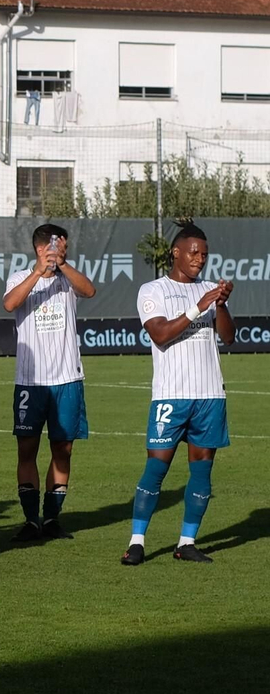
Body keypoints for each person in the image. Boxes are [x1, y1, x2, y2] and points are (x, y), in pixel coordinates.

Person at [123, 225, 233, 565]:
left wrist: (221, 305)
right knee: (156, 468)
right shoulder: (153, 290)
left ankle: (187, 542)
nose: (200, 259)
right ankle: (137, 542)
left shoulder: (209, 290)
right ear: (176, 252)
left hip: (210, 395)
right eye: (194, 252)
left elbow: (229, 337)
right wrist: (198, 308)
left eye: (204, 254)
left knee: (202, 472)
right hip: (171, 395)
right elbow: (160, 334)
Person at [3, 223, 97, 542]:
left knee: (63, 449)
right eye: (59, 247)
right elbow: (10, 304)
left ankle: (53, 518)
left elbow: (89, 291)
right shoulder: (19, 278)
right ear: (41, 249)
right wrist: (37, 273)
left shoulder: (68, 279)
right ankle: (31, 520)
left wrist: (63, 265)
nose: (63, 252)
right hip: (30, 382)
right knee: (27, 449)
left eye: (65, 248)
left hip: (67, 379)